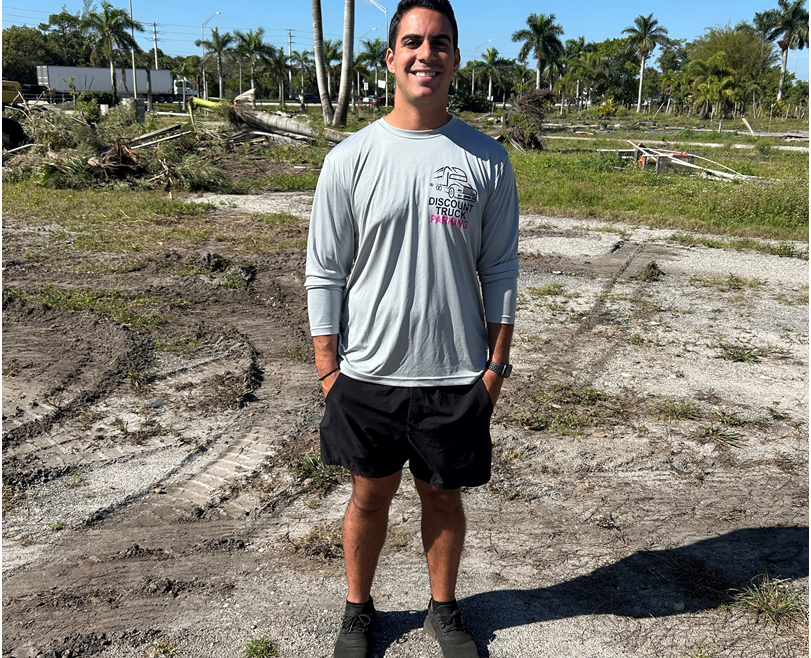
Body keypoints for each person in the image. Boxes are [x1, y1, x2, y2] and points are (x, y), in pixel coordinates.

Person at [304, 1, 518, 656]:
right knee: (368, 498)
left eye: (440, 42)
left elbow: (500, 268)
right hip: (366, 375)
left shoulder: (486, 159)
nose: (427, 53)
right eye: (413, 42)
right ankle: (358, 609)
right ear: (391, 58)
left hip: (457, 378)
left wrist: (494, 370)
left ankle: (443, 609)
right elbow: (325, 271)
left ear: (454, 57)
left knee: (443, 498)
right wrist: (327, 370)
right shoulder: (351, 158)